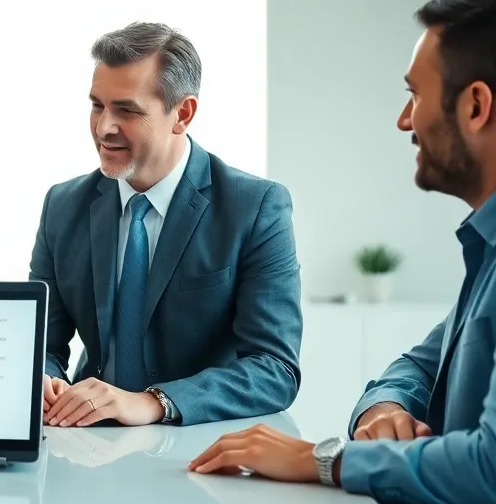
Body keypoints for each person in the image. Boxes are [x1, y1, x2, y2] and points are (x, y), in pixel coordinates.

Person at [188, 0, 496, 504]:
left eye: (414, 95)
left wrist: (324, 461)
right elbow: (418, 367)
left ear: (476, 106)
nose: (405, 120)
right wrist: (384, 411)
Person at [33, 22, 302, 428]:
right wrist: (46, 380)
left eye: (126, 110)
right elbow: (43, 346)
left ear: (183, 113)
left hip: (200, 444)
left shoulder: (256, 207)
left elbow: (274, 369)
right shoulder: (63, 205)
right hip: (90, 444)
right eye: (97, 105)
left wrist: (153, 402)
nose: (104, 127)